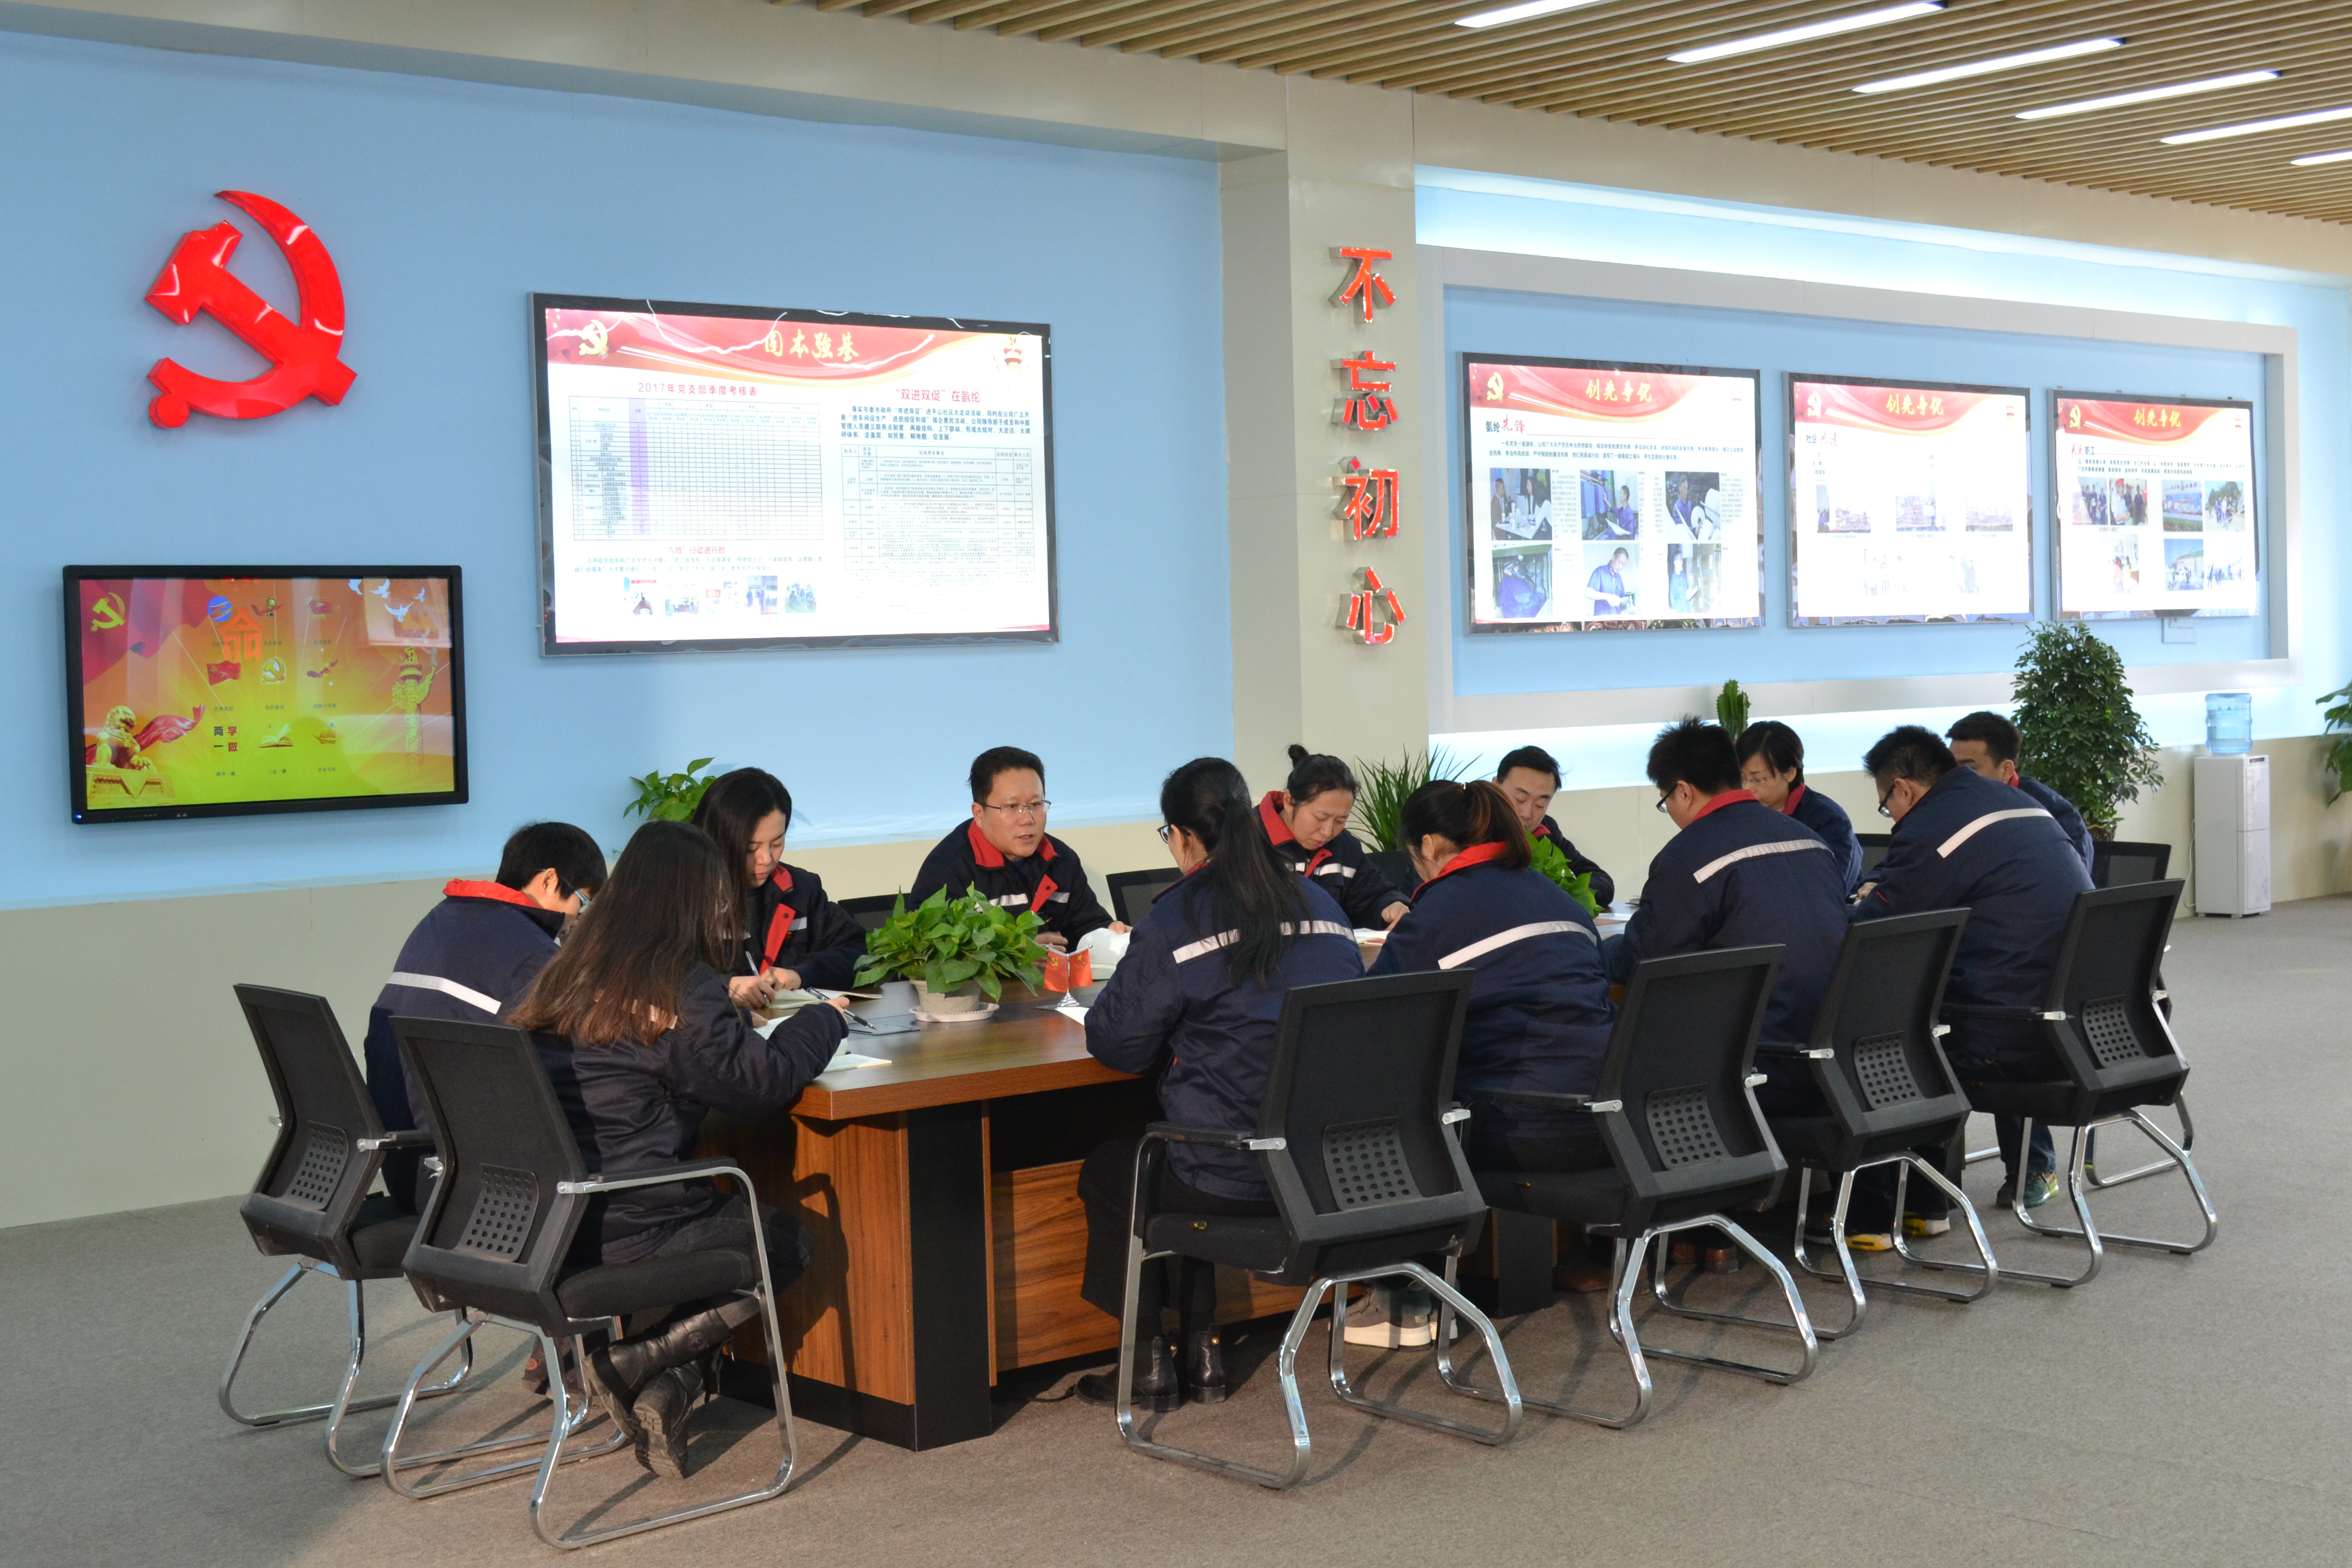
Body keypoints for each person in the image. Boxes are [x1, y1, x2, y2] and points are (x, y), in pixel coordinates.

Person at [506, 819, 848, 1480]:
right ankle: (635, 1360)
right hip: (633, 1222)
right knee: (785, 1242)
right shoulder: (679, 983)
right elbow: (759, 1086)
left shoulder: (564, 970)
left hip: (552, 1217)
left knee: (722, 1210)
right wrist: (823, 1019)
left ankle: (669, 1386)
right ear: (694, 900)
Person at [1072, 758, 1362, 1412]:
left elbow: (1117, 1046)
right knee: (1186, 1139)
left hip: (1233, 1175)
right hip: (1324, 1167)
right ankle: (1202, 1349)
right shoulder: (1321, 905)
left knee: (1126, 1167)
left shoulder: (1177, 918)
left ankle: (1149, 1362)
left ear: (1181, 836)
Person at [1603, 720, 1850, 1271]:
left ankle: (1693, 1226)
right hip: (1833, 1061)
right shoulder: (1810, 840)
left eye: (1666, 801)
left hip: (1752, 1070)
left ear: (1683, 790)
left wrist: (1590, 953)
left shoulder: (1689, 856)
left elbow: (1645, 960)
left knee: (1625, 1048)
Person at [1368, 779, 1617, 1311]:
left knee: (1383, 1102)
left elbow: (1373, 1019)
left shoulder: (1436, 917)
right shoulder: (1559, 900)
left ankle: (1405, 1296)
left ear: (1429, 845)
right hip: (1613, 1122)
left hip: (1526, 1131)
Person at [1845, 725, 2095, 1246]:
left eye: (1886, 806)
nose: (1892, 818)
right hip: (2081, 1027)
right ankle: (1926, 1206)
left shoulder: (1932, 825)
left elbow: (1879, 929)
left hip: (2014, 1037)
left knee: (1874, 1040)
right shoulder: (2017, 802)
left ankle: (1874, 1219)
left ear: (1904, 789)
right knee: (1918, 1019)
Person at [362, 821, 607, 1215]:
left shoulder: (441, 919)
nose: (579, 918)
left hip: (405, 1163)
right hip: (474, 1192)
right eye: (584, 901)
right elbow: (580, 1064)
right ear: (549, 881)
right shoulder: (530, 953)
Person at [908, 745, 1123, 950]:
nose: (1028, 819)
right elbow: (929, 953)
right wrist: (1009, 953)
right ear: (979, 814)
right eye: (1012, 807)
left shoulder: (1061, 859)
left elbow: (1087, 927)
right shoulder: (946, 869)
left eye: (1036, 805)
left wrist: (1110, 937)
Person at [690, 767, 867, 1010]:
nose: (766, 859)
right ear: (715, 839)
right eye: (750, 848)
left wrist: (802, 973)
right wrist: (721, 988)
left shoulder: (800, 890)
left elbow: (860, 953)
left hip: (791, 1027)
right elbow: (652, 974)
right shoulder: (683, 896)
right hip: (716, 1030)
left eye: (777, 843)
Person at [1259, 745, 1409, 930]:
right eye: (1321, 818)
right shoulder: (1245, 841)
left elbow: (1373, 895)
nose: (1328, 832)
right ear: (1289, 801)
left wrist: (1393, 906)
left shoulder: (1345, 847)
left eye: (1340, 821)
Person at [1944, 711, 2096, 874]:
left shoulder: (2054, 815)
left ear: (2006, 770)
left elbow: (2073, 881)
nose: (1956, 778)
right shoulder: (1947, 805)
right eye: (1952, 768)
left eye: (1969, 769)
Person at [1735, 720, 1864, 894]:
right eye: (1743, 779)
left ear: (1790, 773)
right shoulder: (1741, 815)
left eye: (1760, 780)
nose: (1749, 788)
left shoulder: (1829, 820)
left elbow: (1830, 890)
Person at [1493, 743, 1614, 905]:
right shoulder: (1470, 831)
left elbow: (1602, 882)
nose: (1527, 814)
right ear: (1495, 786)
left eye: (1540, 805)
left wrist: (1560, 895)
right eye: (1520, 799)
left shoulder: (1545, 832)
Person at [1586, 547, 1632, 616]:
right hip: (1602, 619)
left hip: (1617, 619)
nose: (1621, 567)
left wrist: (1628, 606)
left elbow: (1622, 600)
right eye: (1620, 562)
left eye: (1623, 565)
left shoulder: (1619, 578)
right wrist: (1607, 597)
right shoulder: (1600, 572)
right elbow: (1588, 593)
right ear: (1614, 557)